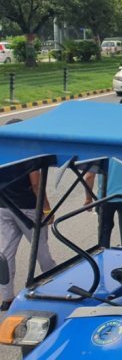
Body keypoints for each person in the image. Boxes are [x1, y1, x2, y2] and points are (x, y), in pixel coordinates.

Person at [0, 119, 57, 311]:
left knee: (7, 252)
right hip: (29, 210)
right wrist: (47, 209)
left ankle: (7, 297)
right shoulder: (28, 153)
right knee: (41, 250)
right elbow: (36, 184)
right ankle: (53, 288)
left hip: (4, 208)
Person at [84, 158, 122, 248]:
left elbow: (89, 176)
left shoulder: (99, 151)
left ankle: (104, 259)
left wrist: (88, 199)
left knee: (104, 233)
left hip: (105, 198)